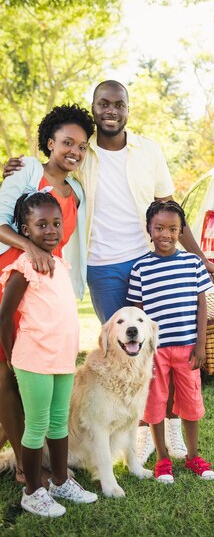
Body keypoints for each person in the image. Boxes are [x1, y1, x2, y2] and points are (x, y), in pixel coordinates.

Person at [3, 80, 214, 462]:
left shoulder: (147, 150)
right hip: (101, 268)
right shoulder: (82, 156)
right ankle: (132, 433)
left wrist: (200, 256)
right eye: (102, 104)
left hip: (146, 262)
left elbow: (170, 209)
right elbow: (47, 167)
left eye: (118, 104)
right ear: (93, 109)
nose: (111, 110)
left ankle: (167, 432)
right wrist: (17, 165)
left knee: (163, 346)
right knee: (121, 353)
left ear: (128, 108)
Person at [0, 104, 94, 483]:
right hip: (9, 276)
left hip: (41, 288)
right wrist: (32, 249)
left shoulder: (76, 192)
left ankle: (32, 454)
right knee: (6, 370)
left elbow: (63, 244)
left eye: (82, 146)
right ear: (50, 143)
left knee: (34, 373)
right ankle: (26, 467)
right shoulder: (26, 172)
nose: (74, 151)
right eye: (67, 142)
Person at [0, 191, 97, 517]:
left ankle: (59, 481)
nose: (51, 230)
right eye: (41, 224)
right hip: (33, 361)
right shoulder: (24, 266)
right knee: (37, 425)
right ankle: (32, 490)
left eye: (56, 223)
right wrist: (13, 356)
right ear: (25, 231)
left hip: (62, 359)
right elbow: (4, 318)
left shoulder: (59, 263)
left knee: (58, 424)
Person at [127, 200, 214, 484]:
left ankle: (192, 456)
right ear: (149, 230)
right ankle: (163, 457)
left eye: (173, 229)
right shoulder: (140, 268)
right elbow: (137, 316)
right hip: (155, 352)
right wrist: (141, 352)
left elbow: (202, 306)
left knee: (190, 402)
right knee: (155, 403)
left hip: (188, 349)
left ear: (181, 231)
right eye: (159, 228)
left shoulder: (193, 263)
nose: (166, 234)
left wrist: (200, 345)